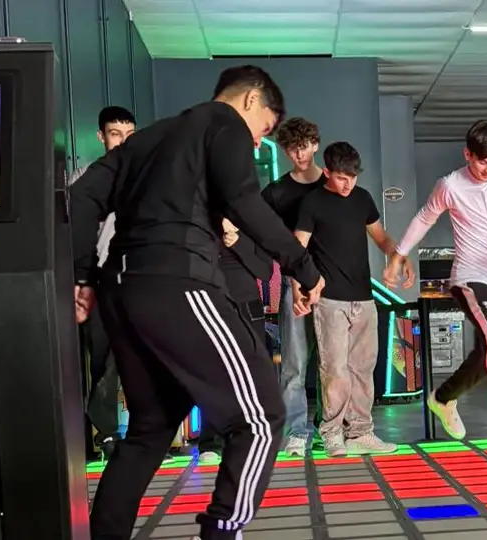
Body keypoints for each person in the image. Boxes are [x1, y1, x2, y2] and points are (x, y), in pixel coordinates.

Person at [70, 65, 326, 540]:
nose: (256, 144)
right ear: (250, 101)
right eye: (263, 130)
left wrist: (82, 273)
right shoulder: (223, 123)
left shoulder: (145, 140)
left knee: (149, 430)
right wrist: (303, 267)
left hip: (122, 292)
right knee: (261, 420)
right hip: (178, 282)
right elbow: (246, 202)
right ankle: (222, 531)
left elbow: (82, 197)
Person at [383, 120, 487, 468]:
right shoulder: (451, 185)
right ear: (467, 154)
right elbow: (423, 219)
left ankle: (443, 398)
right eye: (482, 161)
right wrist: (398, 256)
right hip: (469, 279)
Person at [290, 142, 403, 456]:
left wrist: (396, 256)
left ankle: (360, 432)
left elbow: (380, 237)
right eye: (341, 177)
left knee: (363, 369)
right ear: (327, 172)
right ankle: (332, 433)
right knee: (335, 369)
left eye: (352, 177)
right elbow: (297, 248)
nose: (348, 183)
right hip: (329, 300)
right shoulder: (312, 203)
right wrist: (301, 285)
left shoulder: (362, 198)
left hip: (364, 299)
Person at [68, 106, 137, 460]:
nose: (123, 142)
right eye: (115, 133)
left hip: (136, 279)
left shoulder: (143, 179)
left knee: (130, 358)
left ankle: (127, 432)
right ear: (101, 136)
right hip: (95, 280)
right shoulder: (83, 179)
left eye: (129, 134)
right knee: (99, 361)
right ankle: (104, 434)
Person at [261, 117, 325, 456]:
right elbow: (255, 226)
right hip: (295, 283)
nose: (298, 154)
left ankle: (330, 427)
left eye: (303, 146)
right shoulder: (276, 192)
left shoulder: (333, 185)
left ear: (315, 144)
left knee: (334, 363)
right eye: (291, 148)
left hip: (333, 284)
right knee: (295, 364)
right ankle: (298, 431)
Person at [197, 218, 275, 464]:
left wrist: (239, 243)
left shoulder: (252, 228)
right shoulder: (201, 226)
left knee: (251, 375)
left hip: (248, 309)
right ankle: (211, 441)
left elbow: (265, 271)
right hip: (213, 307)